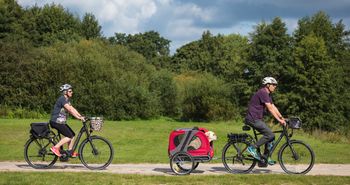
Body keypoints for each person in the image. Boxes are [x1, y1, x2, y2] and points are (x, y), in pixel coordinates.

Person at [245, 77, 286, 165]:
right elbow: (270, 108)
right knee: (270, 134)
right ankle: (252, 148)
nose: (275, 86)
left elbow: (273, 106)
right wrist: (279, 120)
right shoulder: (263, 92)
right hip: (253, 119)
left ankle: (265, 158)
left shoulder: (267, 94)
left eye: (275, 85)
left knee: (271, 137)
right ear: (267, 85)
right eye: (273, 85)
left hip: (256, 119)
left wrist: (282, 117)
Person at [49, 84, 85, 157]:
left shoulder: (67, 100)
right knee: (69, 136)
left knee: (72, 135)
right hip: (56, 122)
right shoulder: (62, 99)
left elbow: (73, 109)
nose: (72, 92)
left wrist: (80, 116)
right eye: (70, 91)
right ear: (65, 92)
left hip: (61, 122)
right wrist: (79, 118)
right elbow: (70, 110)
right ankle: (55, 148)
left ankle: (70, 152)